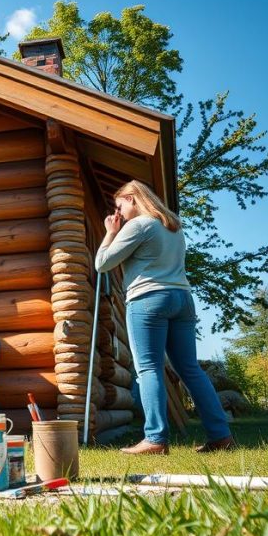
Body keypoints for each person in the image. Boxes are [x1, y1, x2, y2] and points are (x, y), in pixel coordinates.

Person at [95, 180, 234, 455]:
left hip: (149, 299)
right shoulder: (174, 226)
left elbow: (103, 263)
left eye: (119, 204)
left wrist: (110, 233)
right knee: (190, 369)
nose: (118, 212)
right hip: (182, 299)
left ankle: (155, 439)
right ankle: (221, 436)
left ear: (132, 198)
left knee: (148, 368)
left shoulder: (139, 225)